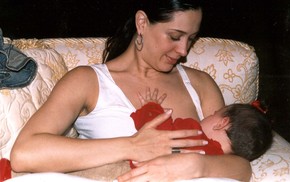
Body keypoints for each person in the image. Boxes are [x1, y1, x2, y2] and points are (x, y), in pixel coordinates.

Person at [10, 1, 252, 181]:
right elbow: (25, 154)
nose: (183, 50)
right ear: (142, 23)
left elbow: (240, 166)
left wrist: (197, 166)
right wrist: (132, 146)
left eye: (191, 39)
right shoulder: (87, 81)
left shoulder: (201, 84)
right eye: (175, 36)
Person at [129, 88, 272, 169]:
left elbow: (155, 132)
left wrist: (151, 107)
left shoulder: (192, 131)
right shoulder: (220, 166)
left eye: (212, 114)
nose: (207, 116)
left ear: (222, 123)